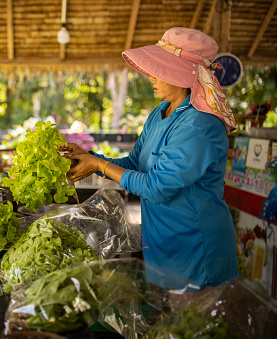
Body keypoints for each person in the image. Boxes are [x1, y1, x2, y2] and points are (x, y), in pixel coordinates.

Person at [62, 27, 238, 296]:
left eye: (160, 70)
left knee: (192, 327)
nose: (151, 78)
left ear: (182, 74)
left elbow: (156, 187)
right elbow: (134, 162)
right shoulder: (161, 113)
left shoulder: (199, 125)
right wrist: (90, 158)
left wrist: (98, 166)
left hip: (195, 245)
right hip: (163, 240)